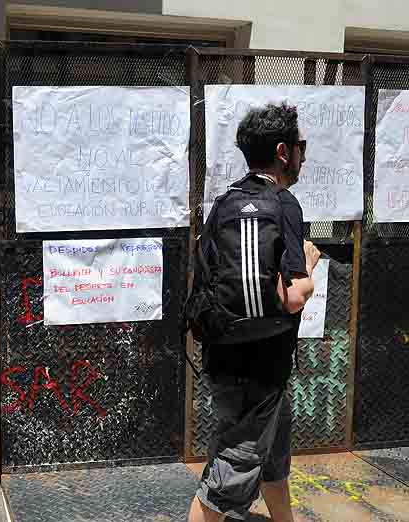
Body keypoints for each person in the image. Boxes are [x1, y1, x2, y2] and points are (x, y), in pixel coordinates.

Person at [188, 103, 322, 522]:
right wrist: (311, 265)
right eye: (301, 146)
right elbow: (294, 297)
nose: (303, 154)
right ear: (284, 151)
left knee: (271, 459)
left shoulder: (224, 206)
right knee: (231, 475)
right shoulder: (283, 205)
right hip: (262, 365)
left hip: (224, 357)